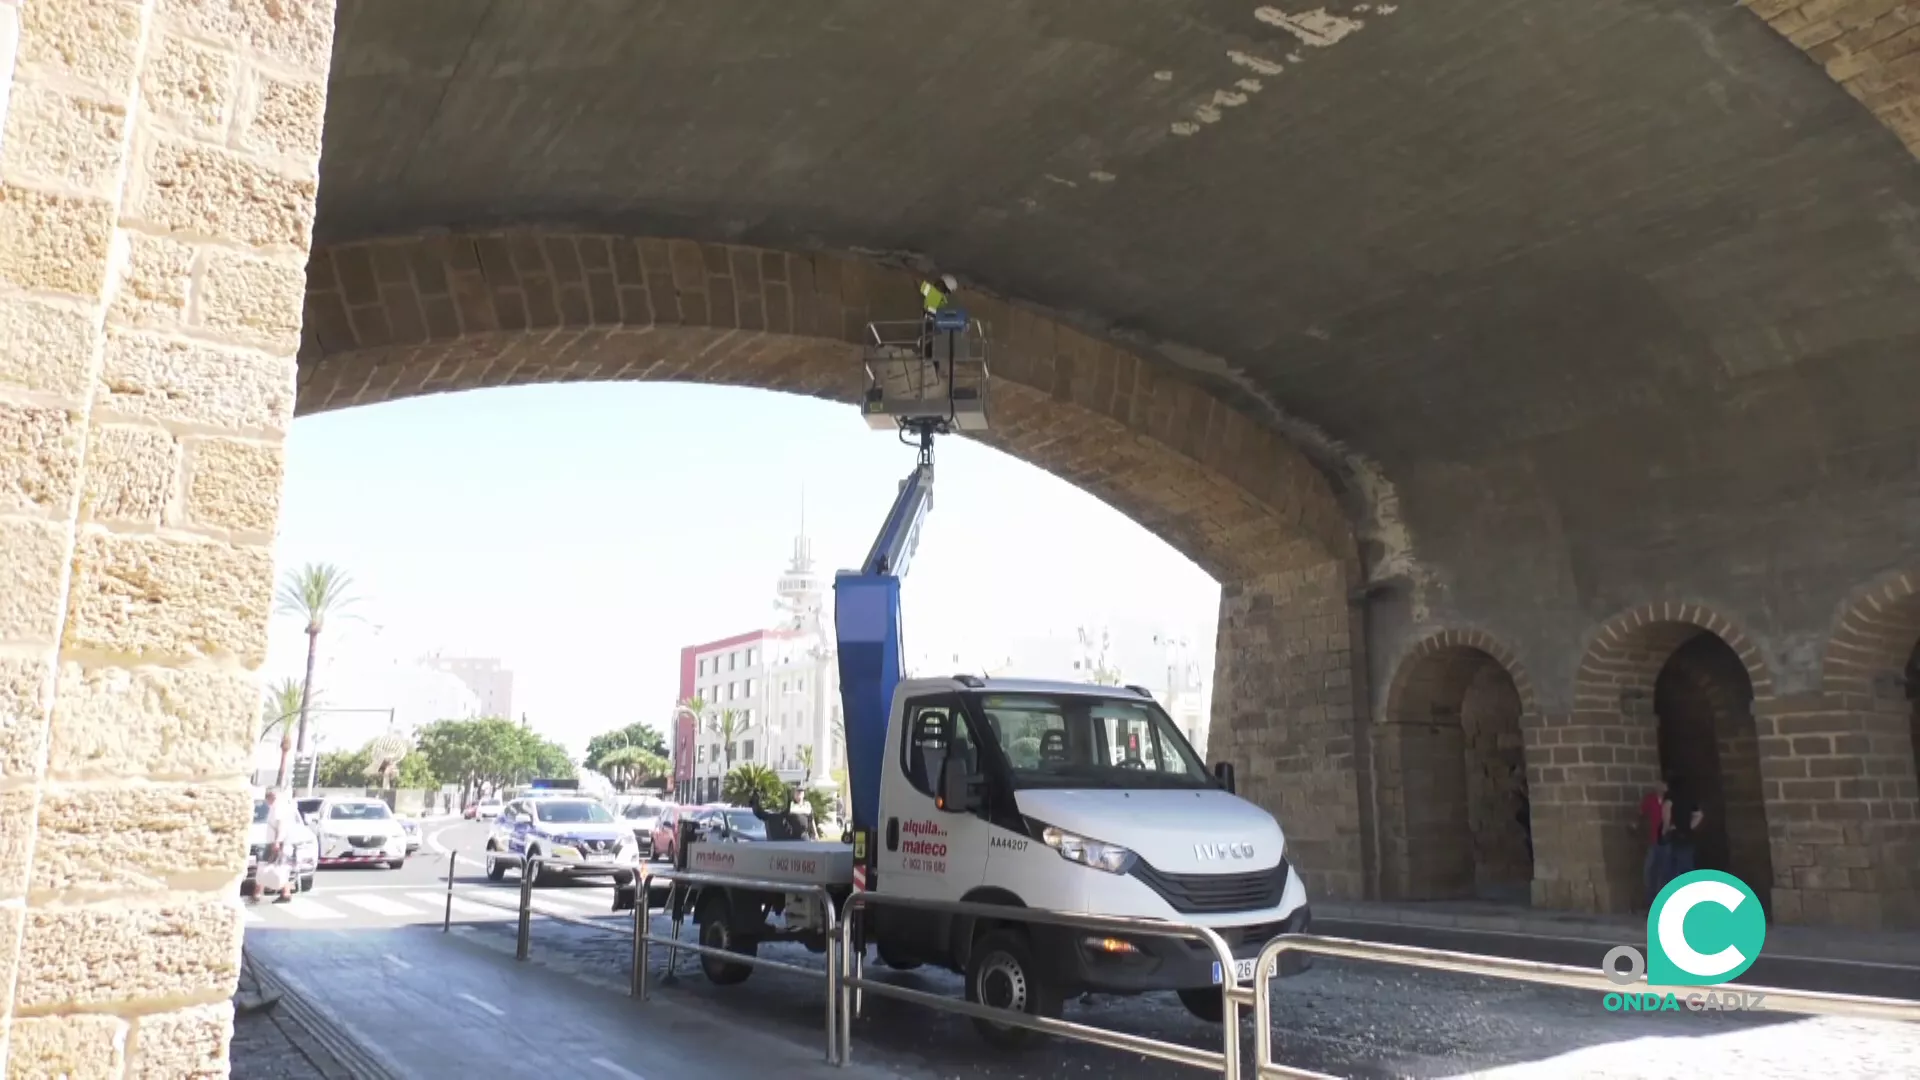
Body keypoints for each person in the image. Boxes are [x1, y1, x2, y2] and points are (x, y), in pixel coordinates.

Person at [250, 788, 298, 905]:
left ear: (270, 797)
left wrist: (277, 842)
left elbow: (281, 827)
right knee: (279, 868)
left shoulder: (277, 808)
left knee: (263, 867)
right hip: (278, 842)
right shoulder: (279, 807)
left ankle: (257, 893)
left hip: (275, 843)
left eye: (268, 799)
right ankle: (285, 893)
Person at [1659, 778, 1704, 890]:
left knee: (1670, 871)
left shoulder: (1670, 796)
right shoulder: (1690, 795)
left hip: (1674, 835)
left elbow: (1667, 810)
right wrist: (1688, 827)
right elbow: (1699, 815)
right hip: (1687, 836)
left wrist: (1666, 829)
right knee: (1687, 869)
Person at [1640, 778, 1668, 907]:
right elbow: (1641, 813)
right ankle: (1651, 902)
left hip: (1667, 840)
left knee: (1664, 871)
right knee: (1649, 871)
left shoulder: (1670, 801)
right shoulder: (1650, 800)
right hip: (1654, 840)